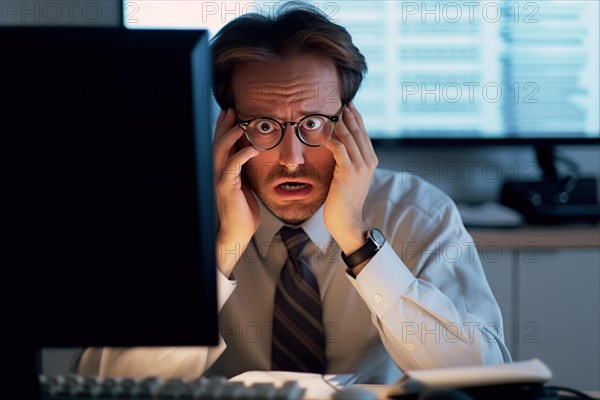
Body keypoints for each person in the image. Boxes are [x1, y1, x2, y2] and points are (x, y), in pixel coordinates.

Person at [75, 3, 511, 383]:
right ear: (228, 129)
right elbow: (106, 382)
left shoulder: (417, 212)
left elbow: (486, 376)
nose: (292, 157)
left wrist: (359, 243)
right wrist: (223, 250)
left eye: (314, 123)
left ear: (348, 125)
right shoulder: (177, 214)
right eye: (264, 126)